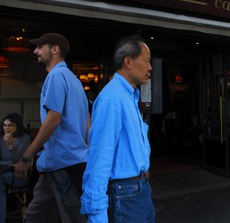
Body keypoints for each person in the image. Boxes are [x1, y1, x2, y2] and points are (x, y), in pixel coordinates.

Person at [14, 33, 89, 223]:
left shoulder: (55, 76)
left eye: (40, 47)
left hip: (62, 164)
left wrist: (27, 155)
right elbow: (87, 121)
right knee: (35, 217)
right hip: (62, 163)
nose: (35, 51)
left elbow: (53, 119)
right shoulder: (74, 80)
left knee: (72, 218)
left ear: (55, 49)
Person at [81, 34, 154, 223]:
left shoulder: (129, 96)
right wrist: (96, 213)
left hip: (139, 189)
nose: (150, 67)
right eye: (146, 61)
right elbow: (99, 157)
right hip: (126, 193)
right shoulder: (112, 98)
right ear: (128, 61)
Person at [0, 113, 30, 222]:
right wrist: (9, 165)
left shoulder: (24, 139)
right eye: (4, 125)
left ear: (17, 126)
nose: (7, 128)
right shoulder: (0, 139)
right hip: (2, 174)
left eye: (10, 125)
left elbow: (18, 162)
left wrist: (11, 145)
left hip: (19, 176)